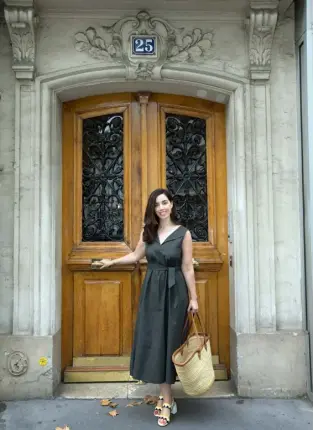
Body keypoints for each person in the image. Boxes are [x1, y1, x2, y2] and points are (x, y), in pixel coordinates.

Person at [92, 188, 198, 427]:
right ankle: (165, 395)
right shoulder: (148, 232)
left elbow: (188, 267)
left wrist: (194, 298)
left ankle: (167, 399)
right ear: (153, 209)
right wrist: (112, 262)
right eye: (157, 204)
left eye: (164, 202)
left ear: (171, 204)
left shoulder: (184, 233)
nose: (161, 207)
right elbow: (135, 256)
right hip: (152, 292)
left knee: (170, 343)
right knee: (155, 342)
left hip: (175, 293)